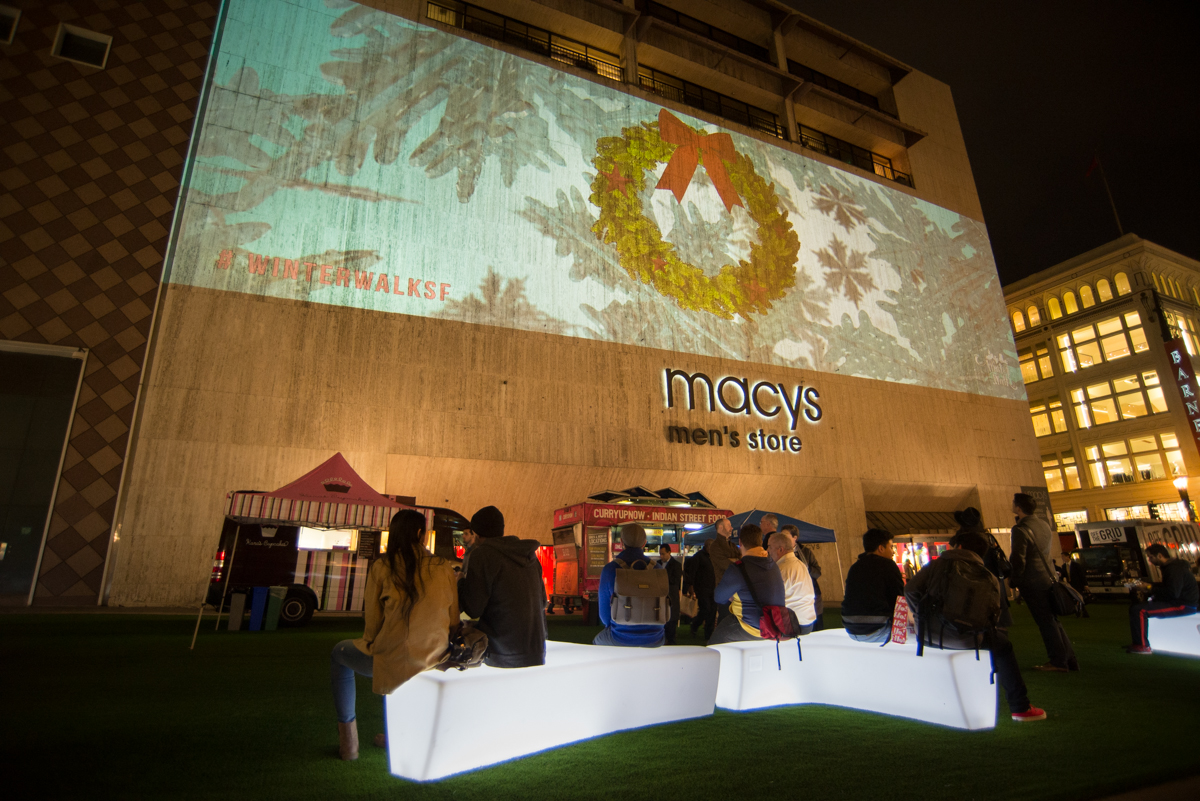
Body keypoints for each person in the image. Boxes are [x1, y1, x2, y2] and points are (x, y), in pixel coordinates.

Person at [330, 509, 459, 760]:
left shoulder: (382, 566)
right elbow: (454, 620)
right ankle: (398, 735)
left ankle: (349, 744)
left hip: (398, 658)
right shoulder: (444, 567)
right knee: (404, 668)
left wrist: (372, 644)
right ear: (421, 534)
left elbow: (372, 626)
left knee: (339, 654)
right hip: (436, 658)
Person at [905, 531, 1047, 723]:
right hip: (972, 638)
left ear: (960, 546)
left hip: (933, 636)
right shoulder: (987, 575)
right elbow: (993, 614)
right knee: (1004, 647)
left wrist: (923, 619)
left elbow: (911, 590)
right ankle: (1020, 707)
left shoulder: (937, 565)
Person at [457, 505, 547, 668]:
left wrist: (460, 582)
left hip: (500, 653)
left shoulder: (482, 555)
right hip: (536, 651)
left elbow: (473, 608)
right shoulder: (531, 557)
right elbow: (542, 602)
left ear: (476, 534)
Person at [1009, 493, 1078, 672]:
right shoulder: (1043, 525)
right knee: (1052, 621)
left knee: (1046, 622)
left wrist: (1014, 581)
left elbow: (1018, 558)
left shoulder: (1020, 529)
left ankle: (1058, 661)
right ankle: (1068, 658)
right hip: (1049, 579)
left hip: (1033, 582)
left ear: (1018, 507)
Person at [708, 524, 787, 644]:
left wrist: (733, 595)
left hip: (750, 626)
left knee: (714, 646)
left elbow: (719, 597)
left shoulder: (739, 568)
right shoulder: (773, 564)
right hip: (774, 624)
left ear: (740, 541)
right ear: (761, 541)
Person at [593, 523, 666, 646]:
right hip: (655, 637)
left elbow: (604, 616)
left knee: (596, 642)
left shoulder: (610, 569)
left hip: (620, 636)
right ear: (644, 543)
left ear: (622, 543)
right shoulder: (658, 569)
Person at [1126, 543, 1200, 654]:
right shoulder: (1172, 567)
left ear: (1160, 555)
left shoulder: (1174, 569)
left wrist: (1149, 588)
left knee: (1139, 610)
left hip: (1183, 605)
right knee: (1137, 607)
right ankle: (1139, 643)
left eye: (1151, 557)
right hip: (1181, 602)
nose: (1149, 560)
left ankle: (1142, 646)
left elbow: (1172, 592)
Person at [951, 507, 1013, 628]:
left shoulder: (964, 539)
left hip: (975, 578)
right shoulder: (988, 537)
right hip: (993, 576)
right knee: (998, 611)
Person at [841, 528, 904, 643]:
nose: (893, 551)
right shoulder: (888, 565)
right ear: (881, 548)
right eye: (891, 547)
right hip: (877, 629)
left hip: (850, 627)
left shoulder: (855, 567)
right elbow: (899, 599)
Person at [767, 531, 816, 634]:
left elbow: (769, 599)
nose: (767, 551)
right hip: (807, 621)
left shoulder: (781, 570)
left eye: (770, 547)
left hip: (792, 624)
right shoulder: (800, 564)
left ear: (780, 549)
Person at [706, 517, 740, 623]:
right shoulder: (715, 546)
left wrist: (735, 560)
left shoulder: (731, 544)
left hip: (734, 588)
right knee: (725, 619)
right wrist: (736, 560)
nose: (731, 528)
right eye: (729, 525)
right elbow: (728, 565)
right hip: (725, 589)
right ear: (721, 527)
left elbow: (740, 561)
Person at [791, 528, 825, 630]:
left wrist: (806, 568)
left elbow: (817, 572)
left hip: (812, 593)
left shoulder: (806, 552)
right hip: (794, 597)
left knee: (816, 625)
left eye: (786, 536)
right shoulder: (780, 554)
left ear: (795, 538)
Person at [684, 545, 717, 640]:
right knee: (706, 609)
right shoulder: (698, 557)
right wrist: (691, 586)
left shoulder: (714, 556)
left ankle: (708, 634)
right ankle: (695, 624)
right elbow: (692, 572)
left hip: (713, 588)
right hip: (702, 588)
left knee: (712, 611)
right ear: (707, 547)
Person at [657, 543, 683, 644]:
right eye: (660, 554)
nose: (661, 556)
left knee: (671, 620)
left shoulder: (676, 565)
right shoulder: (657, 564)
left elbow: (675, 581)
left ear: (669, 553)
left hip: (671, 596)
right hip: (660, 596)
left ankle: (671, 640)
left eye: (663, 554)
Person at [1067, 552, 1091, 617]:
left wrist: (1085, 585)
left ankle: (1082, 611)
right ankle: (1078, 611)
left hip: (1077, 584)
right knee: (1074, 598)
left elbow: (1081, 575)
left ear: (1067, 557)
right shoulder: (1064, 566)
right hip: (1070, 585)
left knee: (1079, 597)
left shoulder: (1076, 565)